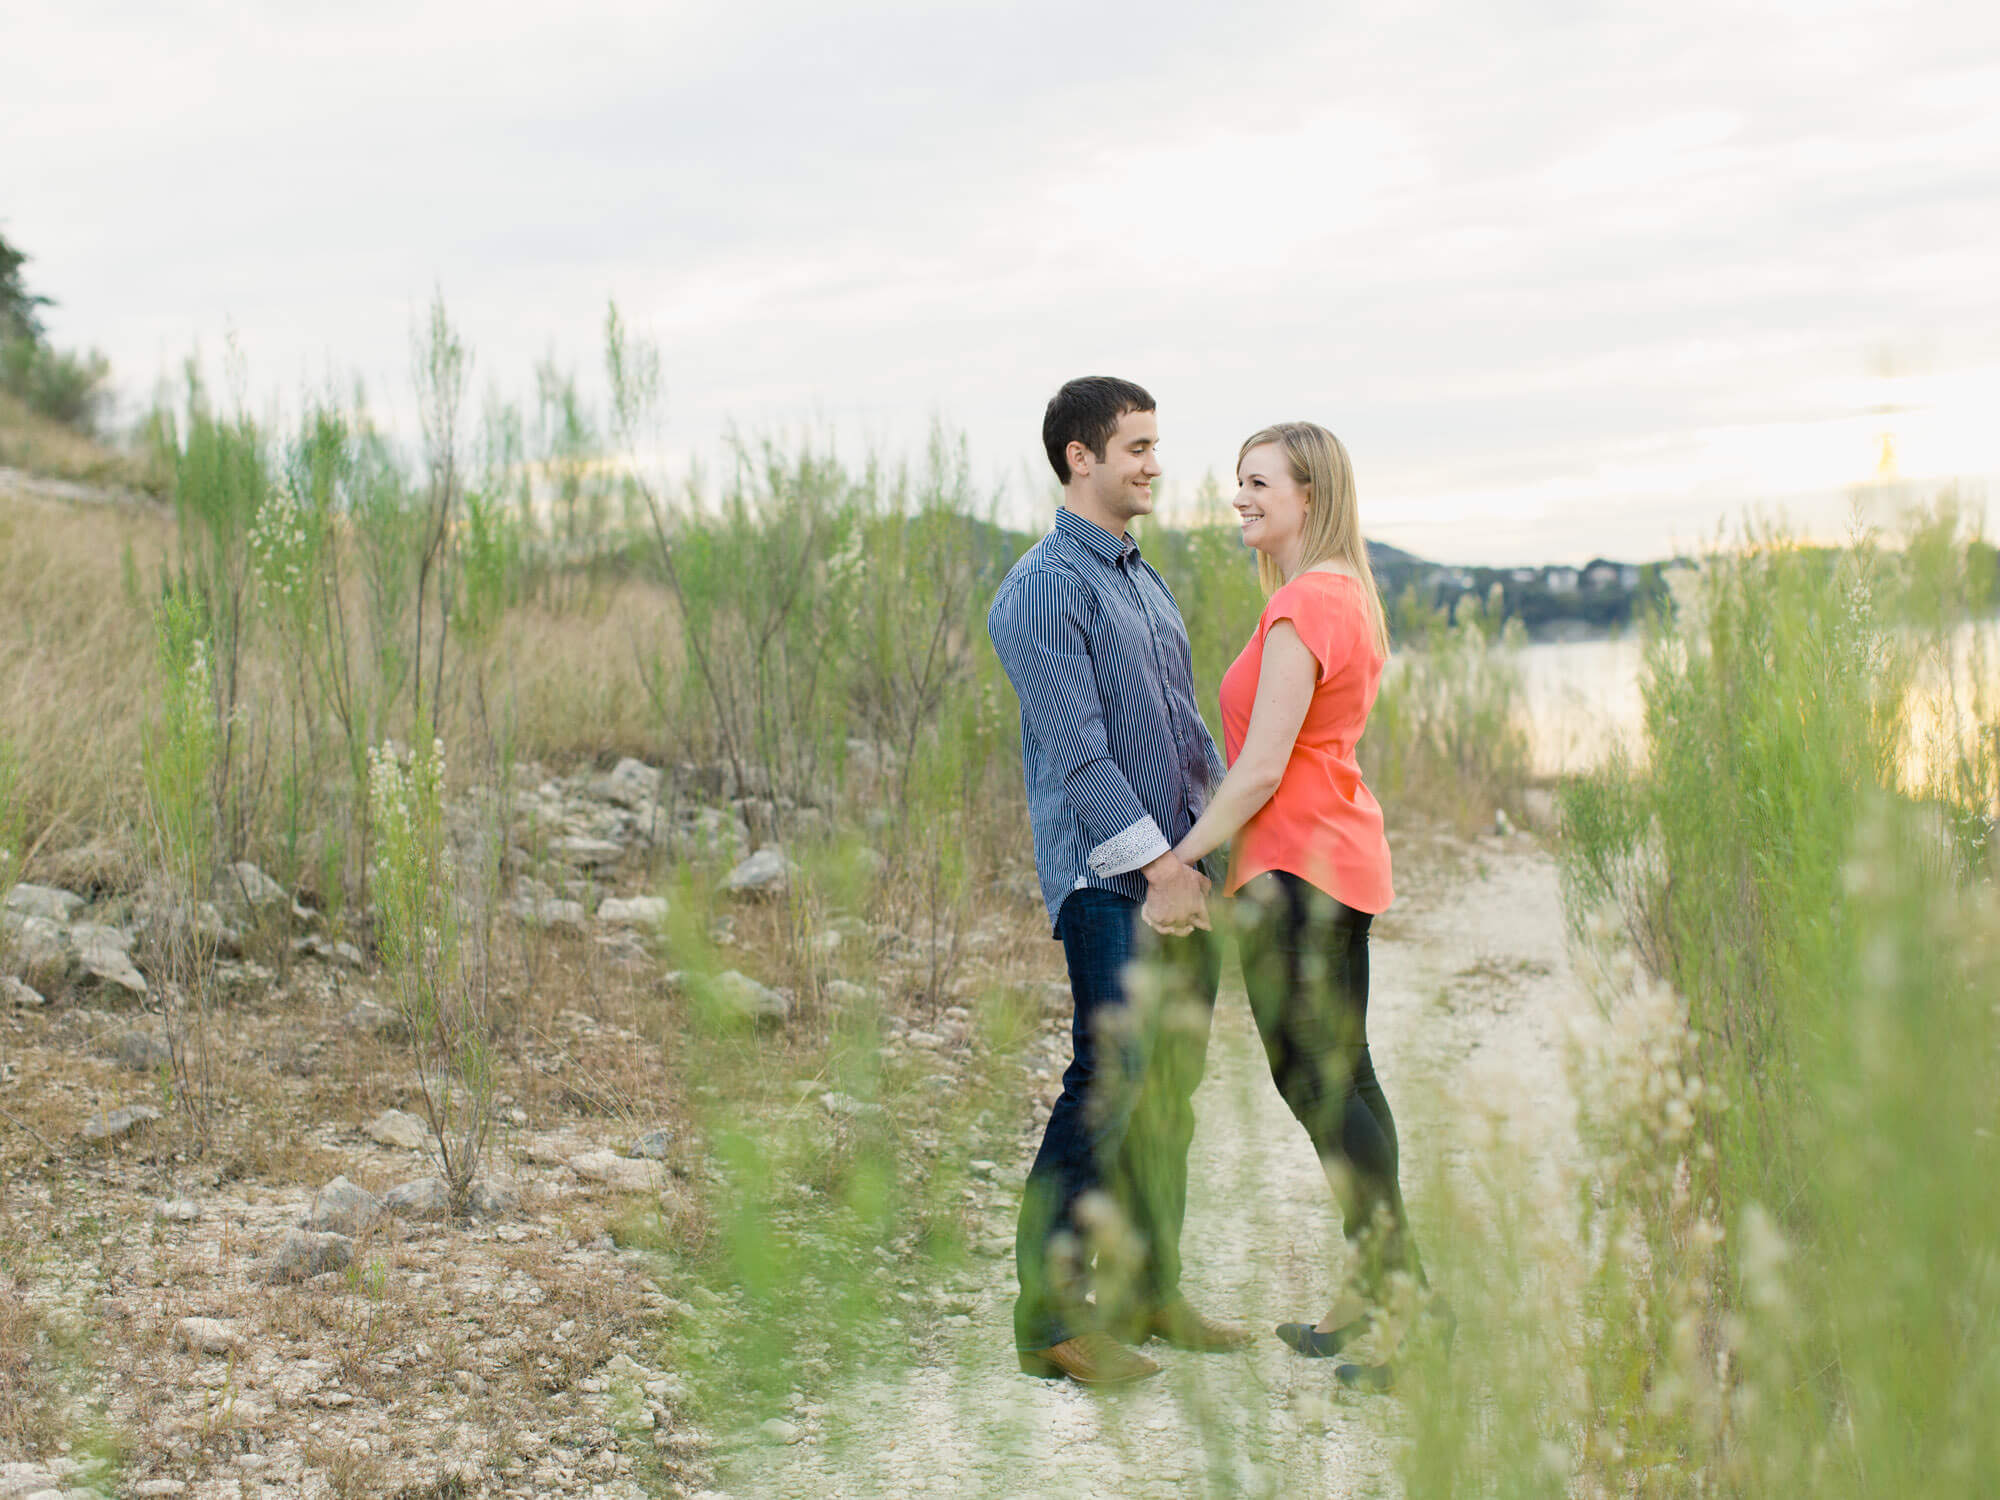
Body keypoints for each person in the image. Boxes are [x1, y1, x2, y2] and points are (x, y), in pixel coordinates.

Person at [987, 376, 1251, 1386]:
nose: (1153, 464)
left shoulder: (1140, 576)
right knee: (1108, 1084)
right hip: (1111, 880)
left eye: (1153, 445)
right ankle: (1050, 1321)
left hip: (1183, 873)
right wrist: (1157, 867)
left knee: (1169, 1090)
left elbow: (1185, 735)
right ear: (1078, 457)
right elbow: (1080, 755)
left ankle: (1145, 1291)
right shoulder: (1043, 587)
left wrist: (1218, 852)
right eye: (1135, 447)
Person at [1166, 420, 1439, 1387]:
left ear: (1310, 495)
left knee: (1318, 1083)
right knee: (1347, 1076)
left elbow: (1258, 771)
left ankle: (1405, 1309)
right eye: (1237, 481)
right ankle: (1379, 1294)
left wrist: (1177, 859)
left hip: (1292, 869)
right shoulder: (1346, 595)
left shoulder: (1300, 606)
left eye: (1259, 483)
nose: (1239, 497)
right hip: (1336, 858)